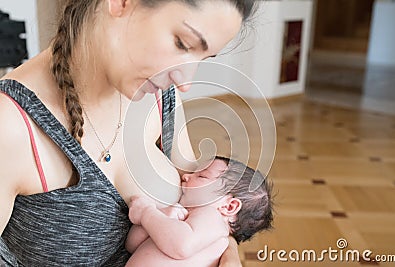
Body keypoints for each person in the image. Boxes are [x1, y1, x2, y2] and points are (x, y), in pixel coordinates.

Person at [0, 0, 259, 266]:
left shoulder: (160, 93)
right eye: (183, 44)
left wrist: (230, 255)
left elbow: (212, 203)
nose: (185, 82)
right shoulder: (9, 123)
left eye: (203, 58)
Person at [125, 156, 274, 267]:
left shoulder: (213, 218)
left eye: (202, 176)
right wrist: (160, 217)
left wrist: (146, 213)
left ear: (228, 207)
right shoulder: (190, 223)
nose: (186, 176)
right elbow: (132, 245)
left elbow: (181, 246)